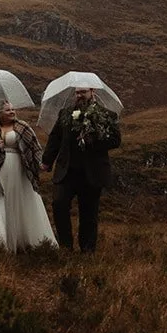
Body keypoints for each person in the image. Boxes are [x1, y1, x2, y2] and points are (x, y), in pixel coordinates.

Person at [42, 86, 122, 253]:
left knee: (89, 213)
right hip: (67, 172)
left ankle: (87, 250)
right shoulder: (65, 113)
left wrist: (94, 139)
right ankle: (65, 246)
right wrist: (47, 161)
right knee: (59, 204)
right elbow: (55, 138)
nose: (79, 96)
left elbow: (115, 140)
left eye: (83, 92)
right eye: (77, 92)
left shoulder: (106, 115)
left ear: (92, 92)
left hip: (92, 173)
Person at [0, 103, 57, 252]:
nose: (12, 112)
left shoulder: (22, 127)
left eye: (13, 109)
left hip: (18, 170)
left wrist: (40, 163)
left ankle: (30, 243)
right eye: (8, 110)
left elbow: (34, 147)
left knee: (20, 201)